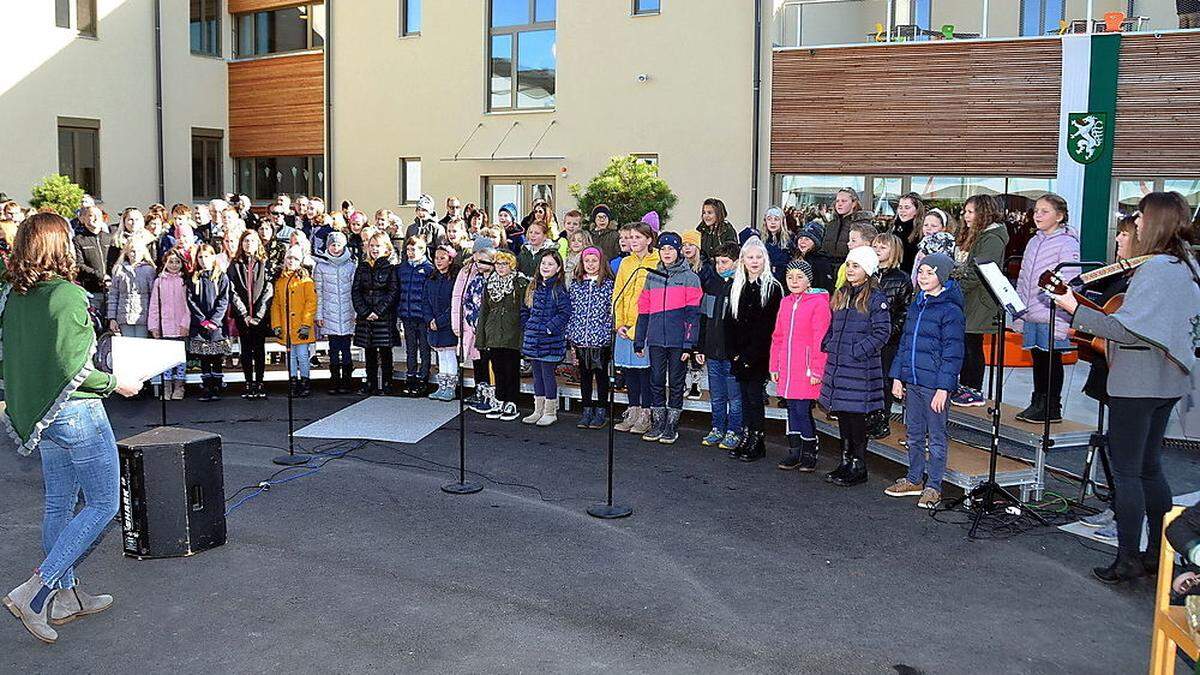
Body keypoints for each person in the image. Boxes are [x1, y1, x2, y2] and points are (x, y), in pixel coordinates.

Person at [0, 213, 142, 644]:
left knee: (59, 504)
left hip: (44, 413)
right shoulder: (67, 294)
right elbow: (77, 368)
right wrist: (118, 382)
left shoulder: (11, 296)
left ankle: (67, 597)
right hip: (77, 413)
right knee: (102, 503)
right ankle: (37, 589)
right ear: (59, 247)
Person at [1051, 191, 1200, 584]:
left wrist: (1073, 309)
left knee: (1128, 472)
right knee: (1150, 468)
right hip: (1166, 380)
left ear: (1155, 223)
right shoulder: (1184, 265)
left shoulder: (1157, 269)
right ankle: (1156, 552)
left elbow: (1124, 328)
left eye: (1139, 219)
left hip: (1138, 381)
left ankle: (1128, 558)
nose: (1132, 226)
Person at [885, 254, 964, 509]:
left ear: (942, 275)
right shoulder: (916, 304)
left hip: (934, 385)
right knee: (915, 433)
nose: (923, 277)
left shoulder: (950, 310)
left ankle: (934, 485)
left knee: (937, 436)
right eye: (921, 272)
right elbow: (905, 343)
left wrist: (944, 388)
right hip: (914, 381)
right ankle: (914, 478)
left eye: (930, 273)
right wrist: (898, 376)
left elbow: (953, 353)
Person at [820, 246, 891, 487]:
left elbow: (883, 332)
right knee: (843, 417)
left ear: (868, 270)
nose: (850, 269)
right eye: (849, 265)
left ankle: (858, 465)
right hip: (840, 367)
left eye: (856, 266)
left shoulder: (875, 298)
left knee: (857, 420)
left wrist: (857, 351)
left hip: (859, 369)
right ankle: (845, 460)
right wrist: (829, 343)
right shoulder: (842, 294)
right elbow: (834, 325)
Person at [1013, 194, 1080, 424]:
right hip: (1032, 309)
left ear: (1059, 216)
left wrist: (1062, 318)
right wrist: (1019, 310)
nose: (1037, 215)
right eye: (1036, 211)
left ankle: (1052, 406)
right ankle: (1038, 401)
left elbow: (1070, 280)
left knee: (1051, 359)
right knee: (1038, 356)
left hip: (1052, 312)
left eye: (1044, 211)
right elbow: (1023, 276)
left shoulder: (1067, 242)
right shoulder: (1034, 241)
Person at [633, 232, 703, 444]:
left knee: (675, 381)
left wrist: (688, 344)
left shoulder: (690, 278)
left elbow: (693, 314)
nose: (667, 253)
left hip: (677, 340)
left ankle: (672, 424)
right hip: (656, 339)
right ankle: (658, 422)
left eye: (671, 249)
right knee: (655, 380)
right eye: (663, 249)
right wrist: (639, 339)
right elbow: (643, 310)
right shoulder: (652, 275)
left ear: (678, 250)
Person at [726, 236, 784, 461]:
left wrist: (750, 355)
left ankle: (757, 440)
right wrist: (734, 352)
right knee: (743, 396)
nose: (755, 261)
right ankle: (746, 435)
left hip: (758, 355)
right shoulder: (736, 286)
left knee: (754, 397)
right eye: (750, 257)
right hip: (739, 354)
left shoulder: (772, 288)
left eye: (759, 257)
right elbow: (729, 321)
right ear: (743, 260)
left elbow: (768, 325)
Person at [770, 258, 831, 472]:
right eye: (789, 277)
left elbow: (820, 339)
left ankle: (809, 450)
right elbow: (778, 336)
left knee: (802, 409)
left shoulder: (819, 303)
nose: (794, 281)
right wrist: (774, 366)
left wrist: (816, 369)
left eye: (799, 277)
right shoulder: (786, 302)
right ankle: (794, 450)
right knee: (790, 409)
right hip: (787, 367)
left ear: (809, 280)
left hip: (805, 368)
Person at [952, 194, 1009, 408]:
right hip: (970, 297)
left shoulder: (992, 237)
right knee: (966, 343)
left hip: (980, 300)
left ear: (984, 212)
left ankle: (973, 389)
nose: (965, 216)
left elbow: (979, 272)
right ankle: (965, 386)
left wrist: (955, 290)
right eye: (965, 211)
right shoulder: (979, 234)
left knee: (972, 345)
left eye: (970, 212)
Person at [612, 221, 659, 435]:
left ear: (649, 239)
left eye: (638, 237)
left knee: (644, 372)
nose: (633, 242)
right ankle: (633, 409)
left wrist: (643, 327)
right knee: (629, 371)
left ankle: (646, 414)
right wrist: (619, 323)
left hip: (645, 328)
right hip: (625, 326)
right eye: (630, 238)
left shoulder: (657, 261)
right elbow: (618, 294)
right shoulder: (626, 263)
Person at [696, 242, 743, 451]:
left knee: (734, 396)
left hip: (732, 353)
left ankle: (735, 430)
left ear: (737, 262)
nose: (720, 266)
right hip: (713, 351)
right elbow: (704, 319)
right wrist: (700, 347)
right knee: (716, 394)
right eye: (717, 262)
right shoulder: (712, 285)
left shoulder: (741, 287)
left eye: (724, 262)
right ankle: (717, 427)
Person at [521, 250, 573, 426]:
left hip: (550, 340)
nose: (546, 267)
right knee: (536, 375)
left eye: (550, 264)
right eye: (544, 263)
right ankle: (538, 409)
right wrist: (527, 325)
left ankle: (550, 411)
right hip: (533, 338)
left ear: (558, 268)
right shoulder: (533, 287)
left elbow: (564, 313)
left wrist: (549, 328)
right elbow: (525, 309)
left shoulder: (558, 289)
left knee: (547, 374)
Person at [566, 246, 615, 429]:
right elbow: (571, 312)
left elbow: (611, 312)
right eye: (587, 261)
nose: (590, 264)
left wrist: (608, 333)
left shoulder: (608, 284)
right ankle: (586, 409)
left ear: (601, 262)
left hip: (600, 339)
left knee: (601, 377)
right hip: (580, 339)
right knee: (585, 377)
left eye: (594, 261)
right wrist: (571, 336)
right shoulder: (576, 285)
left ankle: (601, 410)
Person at [476, 250, 528, 421]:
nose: (500, 267)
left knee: (511, 368)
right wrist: (481, 336)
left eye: (504, 264)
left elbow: (524, 310)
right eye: (498, 264)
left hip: (512, 332)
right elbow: (484, 311)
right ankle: (499, 398)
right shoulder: (490, 283)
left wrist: (522, 335)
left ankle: (511, 401)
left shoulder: (519, 283)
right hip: (493, 332)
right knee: (497, 368)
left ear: (511, 265)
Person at [871, 233, 914, 439]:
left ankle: (882, 418)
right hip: (866, 337)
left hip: (889, 339)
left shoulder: (901, 279)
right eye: (875, 246)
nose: (878, 249)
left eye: (883, 247)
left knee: (884, 380)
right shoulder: (867, 273)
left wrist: (887, 332)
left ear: (893, 251)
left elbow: (904, 312)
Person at [227, 230, 274, 400]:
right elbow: (231, 291)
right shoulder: (234, 264)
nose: (249, 244)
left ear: (258, 243)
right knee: (245, 350)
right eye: (246, 241)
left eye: (252, 241)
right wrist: (244, 314)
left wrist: (259, 315)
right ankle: (248, 382)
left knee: (259, 350)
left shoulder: (264, 263)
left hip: (260, 316)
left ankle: (260, 382)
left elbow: (269, 289)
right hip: (243, 316)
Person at [353, 233, 399, 396]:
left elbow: (393, 292)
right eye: (372, 245)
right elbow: (356, 291)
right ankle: (371, 382)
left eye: (377, 246)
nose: (374, 249)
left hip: (384, 316)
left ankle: (387, 382)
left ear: (386, 248)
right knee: (369, 350)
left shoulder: (391, 267)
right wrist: (365, 311)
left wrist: (378, 311)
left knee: (385, 350)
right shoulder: (362, 266)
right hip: (366, 316)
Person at [453, 238, 496, 412]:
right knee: (478, 361)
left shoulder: (496, 279)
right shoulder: (473, 277)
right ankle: (480, 392)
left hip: (492, 330)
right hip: (475, 328)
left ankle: (492, 396)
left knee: (491, 363)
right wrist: (471, 322)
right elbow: (465, 300)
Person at [185, 244, 231, 402]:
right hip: (200, 324)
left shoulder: (221, 276)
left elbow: (224, 300)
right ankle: (206, 385)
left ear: (213, 257)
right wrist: (202, 320)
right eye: (200, 257)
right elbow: (191, 301)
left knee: (217, 355)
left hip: (217, 324)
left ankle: (217, 384)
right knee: (204, 356)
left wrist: (215, 320)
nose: (203, 260)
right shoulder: (194, 278)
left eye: (206, 256)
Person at [315, 231, 358, 395]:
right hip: (330, 313)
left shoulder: (350, 265)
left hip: (347, 312)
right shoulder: (321, 266)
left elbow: (355, 291)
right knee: (333, 349)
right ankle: (334, 380)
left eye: (338, 244)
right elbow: (318, 292)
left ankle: (347, 380)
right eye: (332, 245)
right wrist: (319, 314)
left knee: (346, 348)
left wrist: (355, 313)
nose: (335, 248)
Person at [271, 246, 318, 397]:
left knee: (303, 355)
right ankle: (292, 381)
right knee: (290, 356)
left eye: (295, 259)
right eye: (289, 258)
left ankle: (305, 381)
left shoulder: (306, 280)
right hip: (287, 327)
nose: (291, 261)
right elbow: (276, 305)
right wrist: (277, 325)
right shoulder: (280, 281)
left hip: (301, 327)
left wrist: (306, 324)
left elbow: (311, 303)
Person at [148, 248, 191, 400]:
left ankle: (179, 387)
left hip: (180, 327)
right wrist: (154, 326)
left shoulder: (184, 282)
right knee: (166, 360)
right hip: (164, 327)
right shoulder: (159, 281)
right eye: (170, 262)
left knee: (180, 359)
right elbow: (154, 305)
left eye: (177, 262)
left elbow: (188, 305)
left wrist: (186, 324)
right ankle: (167, 388)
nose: (173, 265)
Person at [395, 236, 435, 397]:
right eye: (409, 250)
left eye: (415, 249)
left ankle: (423, 377)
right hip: (407, 314)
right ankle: (410, 375)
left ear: (423, 250)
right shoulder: (402, 268)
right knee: (410, 348)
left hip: (423, 316)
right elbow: (398, 291)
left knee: (424, 348)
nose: (411, 253)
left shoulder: (428, 269)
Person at [424, 244, 461, 402]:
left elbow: (454, 304)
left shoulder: (454, 279)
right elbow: (424, 301)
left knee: (449, 354)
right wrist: (430, 319)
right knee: (441, 355)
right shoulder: (432, 278)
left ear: (450, 260)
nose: (438, 261)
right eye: (436, 258)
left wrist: (441, 321)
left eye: (442, 258)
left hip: (447, 324)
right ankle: (442, 385)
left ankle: (451, 387)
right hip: (433, 324)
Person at [106, 232, 157, 339]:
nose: (135, 254)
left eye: (138, 251)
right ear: (127, 253)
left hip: (143, 318)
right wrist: (112, 318)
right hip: (124, 317)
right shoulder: (119, 270)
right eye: (132, 251)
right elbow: (113, 295)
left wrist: (154, 320)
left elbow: (154, 297)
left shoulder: (149, 270)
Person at [72, 205, 116, 314]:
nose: (95, 218)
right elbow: (79, 264)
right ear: (83, 219)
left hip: (112, 290)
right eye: (91, 215)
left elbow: (116, 261)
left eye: (98, 216)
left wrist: (111, 278)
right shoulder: (78, 240)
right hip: (91, 291)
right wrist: (100, 276)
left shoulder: (110, 238)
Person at [819, 188, 874, 267]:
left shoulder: (862, 225)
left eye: (844, 201)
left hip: (850, 268)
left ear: (854, 203)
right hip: (827, 269)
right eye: (837, 201)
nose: (839, 204)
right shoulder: (831, 224)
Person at [910, 209, 957, 285]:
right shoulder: (923, 245)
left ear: (943, 228)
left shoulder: (945, 246)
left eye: (933, 226)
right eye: (926, 225)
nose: (928, 228)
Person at [835, 222, 879, 290]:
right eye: (849, 240)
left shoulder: (875, 269)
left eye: (853, 241)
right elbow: (838, 289)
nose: (848, 243)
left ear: (867, 244)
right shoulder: (844, 266)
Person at [795, 221, 834, 293]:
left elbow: (825, 288)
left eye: (807, 239)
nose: (802, 242)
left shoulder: (821, 262)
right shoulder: (796, 258)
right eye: (801, 238)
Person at [892, 192, 925, 273]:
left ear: (917, 210)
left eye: (907, 207)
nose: (902, 211)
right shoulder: (894, 227)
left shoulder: (922, 230)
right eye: (900, 207)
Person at [761, 206, 793, 285]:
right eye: (769, 219)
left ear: (782, 222)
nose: (773, 222)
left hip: (784, 283)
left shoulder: (790, 240)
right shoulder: (760, 240)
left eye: (776, 219)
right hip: (765, 281)